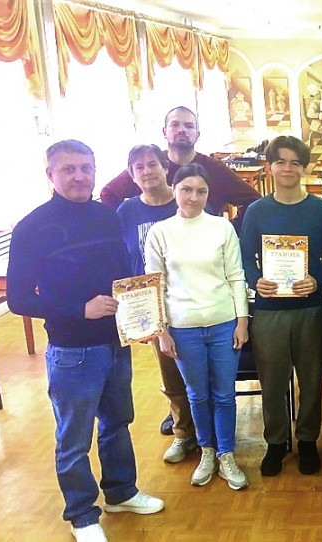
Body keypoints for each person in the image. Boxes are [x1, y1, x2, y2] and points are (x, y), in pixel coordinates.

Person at [8, 140, 165, 542]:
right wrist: (80, 309)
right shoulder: (31, 228)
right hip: (72, 350)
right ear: (50, 174)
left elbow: (122, 272)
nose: (79, 176)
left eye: (86, 168)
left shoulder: (106, 216)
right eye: (69, 169)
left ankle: (121, 492)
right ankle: (81, 515)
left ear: (95, 170)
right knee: (74, 438)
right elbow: (19, 299)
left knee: (118, 423)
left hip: (116, 341)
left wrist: (140, 311)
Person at [240, 135, 322, 477]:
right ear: (269, 167)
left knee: (311, 380)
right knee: (272, 381)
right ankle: (276, 442)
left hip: (310, 308)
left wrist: (319, 279)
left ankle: (308, 440)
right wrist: (256, 280)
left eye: (295, 162)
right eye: (280, 162)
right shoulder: (256, 211)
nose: (287, 168)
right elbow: (245, 257)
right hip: (269, 310)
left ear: (304, 168)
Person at [145, 163, 250, 491]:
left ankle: (226, 454)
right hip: (182, 327)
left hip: (223, 323)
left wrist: (242, 321)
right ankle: (206, 452)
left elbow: (236, 277)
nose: (193, 197)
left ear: (209, 194)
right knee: (197, 395)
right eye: (186, 189)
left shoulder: (222, 227)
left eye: (201, 191)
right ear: (174, 190)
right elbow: (156, 284)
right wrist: (162, 331)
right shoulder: (160, 232)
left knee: (225, 395)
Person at [116, 145, 198, 465]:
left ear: (166, 168)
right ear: (131, 174)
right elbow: (122, 258)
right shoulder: (126, 212)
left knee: (199, 370)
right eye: (139, 167)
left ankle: (210, 433)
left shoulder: (184, 201)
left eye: (152, 164)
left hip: (191, 297)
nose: (147, 171)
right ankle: (183, 433)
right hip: (150, 304)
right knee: (170, 372)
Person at [100, 107, 260, 231]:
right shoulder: (151, 166)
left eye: (189, 126)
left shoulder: (214, 169)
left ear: (197, 135)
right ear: (165, 132)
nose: (181, 130)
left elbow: (254, 201)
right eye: (175, 124)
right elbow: (109, 193)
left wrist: (230, 229)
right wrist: (127, 228)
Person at [306, 83, 322, 147]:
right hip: (317, 121)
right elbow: (309, 114)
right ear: (316, 95)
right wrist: (321, 116)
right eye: (321, 93)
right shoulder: (314, 103)